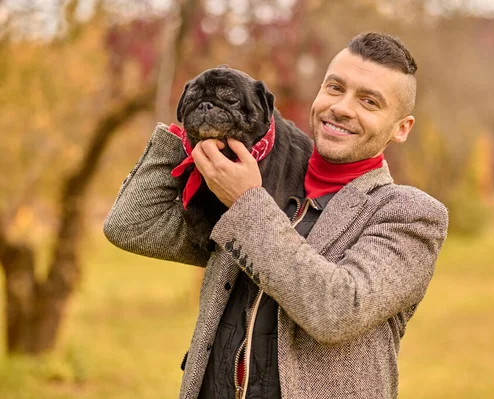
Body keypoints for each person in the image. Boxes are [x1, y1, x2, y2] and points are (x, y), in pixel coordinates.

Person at [104, 32, 448, 399]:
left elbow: (337, 310)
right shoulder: (247, 182)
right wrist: (186, 139)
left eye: (369, 101)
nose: (343, 107)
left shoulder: (409, 215)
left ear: (401, 128)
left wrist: (246, 200)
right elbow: (131, 225)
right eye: (335, 88)